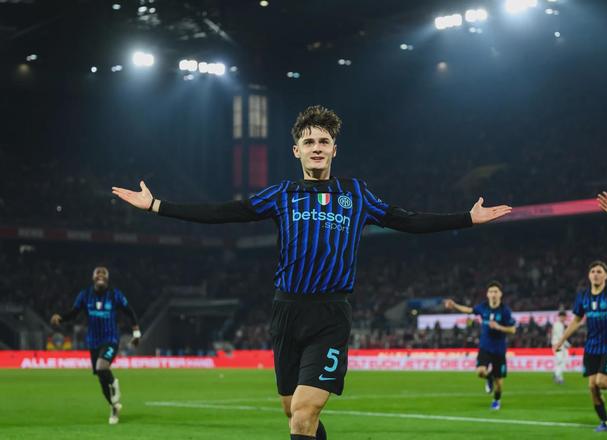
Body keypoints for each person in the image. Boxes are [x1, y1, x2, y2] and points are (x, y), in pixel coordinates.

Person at [112, 105, 512, 440]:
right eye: (309, 142)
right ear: (296, 151)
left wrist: (466, 218)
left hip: (330, 315)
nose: (316, 148)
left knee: (304, 413)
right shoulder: (282, 194)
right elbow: (224, 213)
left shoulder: (356, 194)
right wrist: (158, 206)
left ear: (334, 149)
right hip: (285, 314)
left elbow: (407, 220)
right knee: (293, 412)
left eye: (323, 141)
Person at [552, 261, 607, 432]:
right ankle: (605, 422)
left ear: (606, 276)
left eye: (599, 271)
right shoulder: (583, 296)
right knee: (593, 387)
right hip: (592, 347)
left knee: (602, 382)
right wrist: (561, 340)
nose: (595, 274)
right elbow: (577, 320)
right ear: (589, 275)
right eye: (593, 271)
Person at [50, 266, 141, 425]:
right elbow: (74, 312)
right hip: (93, 342)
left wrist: (136, 333)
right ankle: (114, 407)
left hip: (111, 339)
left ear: (107, 278)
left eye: (104, 273)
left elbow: (129, 311)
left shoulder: (115, 294)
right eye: (97, 273)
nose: (100, 275)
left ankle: (114, 384)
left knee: (101, 367)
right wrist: (61, 318)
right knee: (101, 377)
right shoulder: (85, 295)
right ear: (93, 277)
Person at [444, 281, 516, 410]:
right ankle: (489, 378)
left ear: (500, 294)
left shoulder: (505, 311)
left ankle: (496, 400)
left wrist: (499, 327)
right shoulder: (483, 307)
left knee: (499, 384)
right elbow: (469, 310)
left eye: (496, 292)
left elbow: (513, 329)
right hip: (485, 347)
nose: (493, 294)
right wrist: (454, 305)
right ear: (487, 294)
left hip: (499, 350)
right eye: (491, 292)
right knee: (480, 371)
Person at [551, 311, 569, 384]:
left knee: (561, 360)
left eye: (564, 317)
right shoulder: (558, 325)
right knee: (560, 360)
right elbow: (560, 336)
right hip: (557, 346)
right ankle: (558, 376)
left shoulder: (561, 324)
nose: (563, 318)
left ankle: (556, 374)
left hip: (560, 346)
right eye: (562, 316)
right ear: (560, 317)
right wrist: (567, 344)